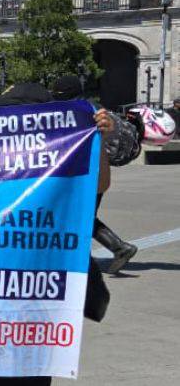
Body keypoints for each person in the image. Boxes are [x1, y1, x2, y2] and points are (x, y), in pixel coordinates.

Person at [0, 82, 113, 386]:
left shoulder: (64, 156)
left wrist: (96, 140)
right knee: (3, 368)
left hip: (38, 289)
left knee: (28, 372)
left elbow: (97, 186)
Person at [49, 75, 138, 274]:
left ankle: (119, 248)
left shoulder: (81, 114)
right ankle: (118, 248)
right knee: (84, 216)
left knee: (81, 217)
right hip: (92, 173)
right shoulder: (93, 109)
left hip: (86, 175)